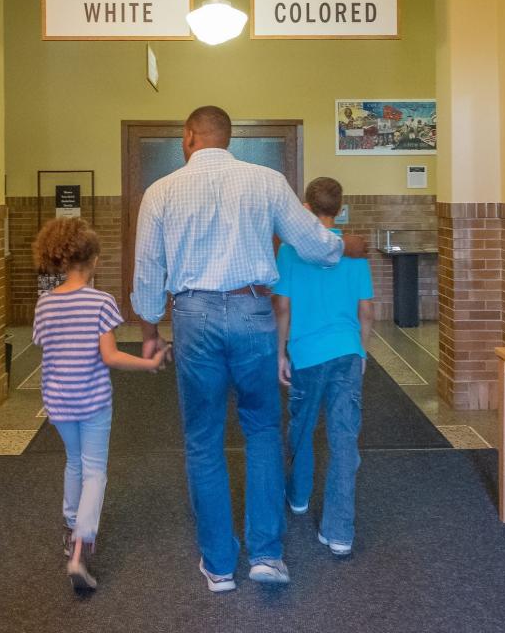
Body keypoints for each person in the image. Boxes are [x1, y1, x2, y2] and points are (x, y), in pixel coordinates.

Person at [132, 105, 368, 593]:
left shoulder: (160, 192)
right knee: (262, 430)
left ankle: (219, 565)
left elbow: (147, 274)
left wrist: (151, 328)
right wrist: (347, 246)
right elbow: (312, 243)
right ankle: (267, 556)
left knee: (203, 438)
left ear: (189, 137)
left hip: (193, 317)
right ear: (228, 138)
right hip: (254, 313)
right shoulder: (266, 180)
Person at [32, 217, 166, 592]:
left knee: (74, 462)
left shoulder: (45, 304)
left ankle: (70, 523)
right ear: (93, 261)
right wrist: (149, 363)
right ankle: (80, 546)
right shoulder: (101, 302)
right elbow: (109, 356)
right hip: (92, 401)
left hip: (58, 403)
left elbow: (47, 349)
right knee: (95, 471)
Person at [273, 177, 373, 557]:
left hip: (306, 352)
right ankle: (340, 532)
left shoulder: (291, 251)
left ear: (306, 207)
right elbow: (366, 310)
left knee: (301, 425)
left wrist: (280, 351)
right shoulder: (354, 251)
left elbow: (282, 306)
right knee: (344, 439)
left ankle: (298, 496)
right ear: (340, 207)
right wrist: (362, 351)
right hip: (347, 352)